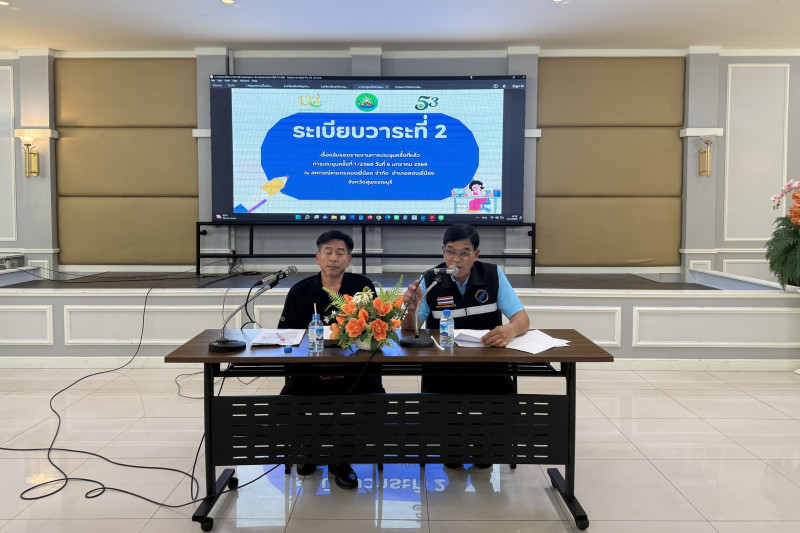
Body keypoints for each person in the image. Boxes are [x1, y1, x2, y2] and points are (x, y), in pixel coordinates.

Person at [400, 224, 530, 468]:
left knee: (503, 406)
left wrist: (510, 330)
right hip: (443, 364)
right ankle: (452, 446)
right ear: (443, 251)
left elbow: (522, 319)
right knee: (449, 448)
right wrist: (411, 308)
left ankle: (486, 446)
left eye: (464, 253)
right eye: (451, 251)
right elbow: (410, 329)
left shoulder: (492, 275)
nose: (456, 259)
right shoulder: (431, 279)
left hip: (487, 363)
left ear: (476, 255)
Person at [278, 229, 385, 489]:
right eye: (328, 252)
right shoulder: (300, 291)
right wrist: (315, 367)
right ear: (318, 257)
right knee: (288, 399)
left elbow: (376, 334)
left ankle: (342, 458)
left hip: (355, 371)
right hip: (310, 371)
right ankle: (309, 449)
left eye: (340, 253)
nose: (333, 258)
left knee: (373, 397)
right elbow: (287, 337)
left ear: (349, 259)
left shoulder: (363, 288)